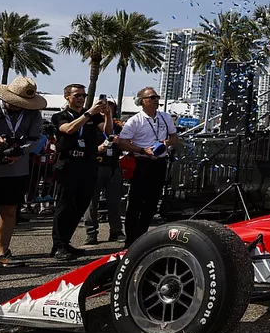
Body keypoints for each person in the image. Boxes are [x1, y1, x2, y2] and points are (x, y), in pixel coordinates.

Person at [0, 77, 44, 270]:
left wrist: (20, 151)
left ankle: (2, 252)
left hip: (15, 169)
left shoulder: (33, 114)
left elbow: (35, 138)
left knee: (10, 211)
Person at [51, 85, 112, 260]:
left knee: (80, 204)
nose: (81, 98)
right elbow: (69, 129)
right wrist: (88, 114)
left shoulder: (93, 116)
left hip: (88, 162)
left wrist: (107, 114)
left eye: (83, 95)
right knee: (65, 204)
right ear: (67, 97)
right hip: (69, 162)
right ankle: (58, 245)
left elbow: (107, 131)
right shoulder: (60, 116)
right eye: (77, 95)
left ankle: (66, 241)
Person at [117, 87, 178, 246]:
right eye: (151, 97)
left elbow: (174, 137)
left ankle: (142, 236)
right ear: (142, 101)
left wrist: (165, 143)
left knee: (152, 201)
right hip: (142, 161)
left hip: (159, 161)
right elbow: (122, 142)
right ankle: (130, 240)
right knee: (136, 201)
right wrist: (142, 150)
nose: (155, 100)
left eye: (156, 97)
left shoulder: (165, 117)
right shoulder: (135, 120)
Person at [84, 100, 124, 244]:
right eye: (102, 110)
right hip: (95, 165)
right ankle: (91, 233)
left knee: (114, 201)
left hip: (113, 166)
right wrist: (97, 148)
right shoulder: (90, 124)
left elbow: (127, 140)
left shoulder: (118, 126)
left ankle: (116, 231)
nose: (105, 112)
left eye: (109, 110)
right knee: (91, 203)